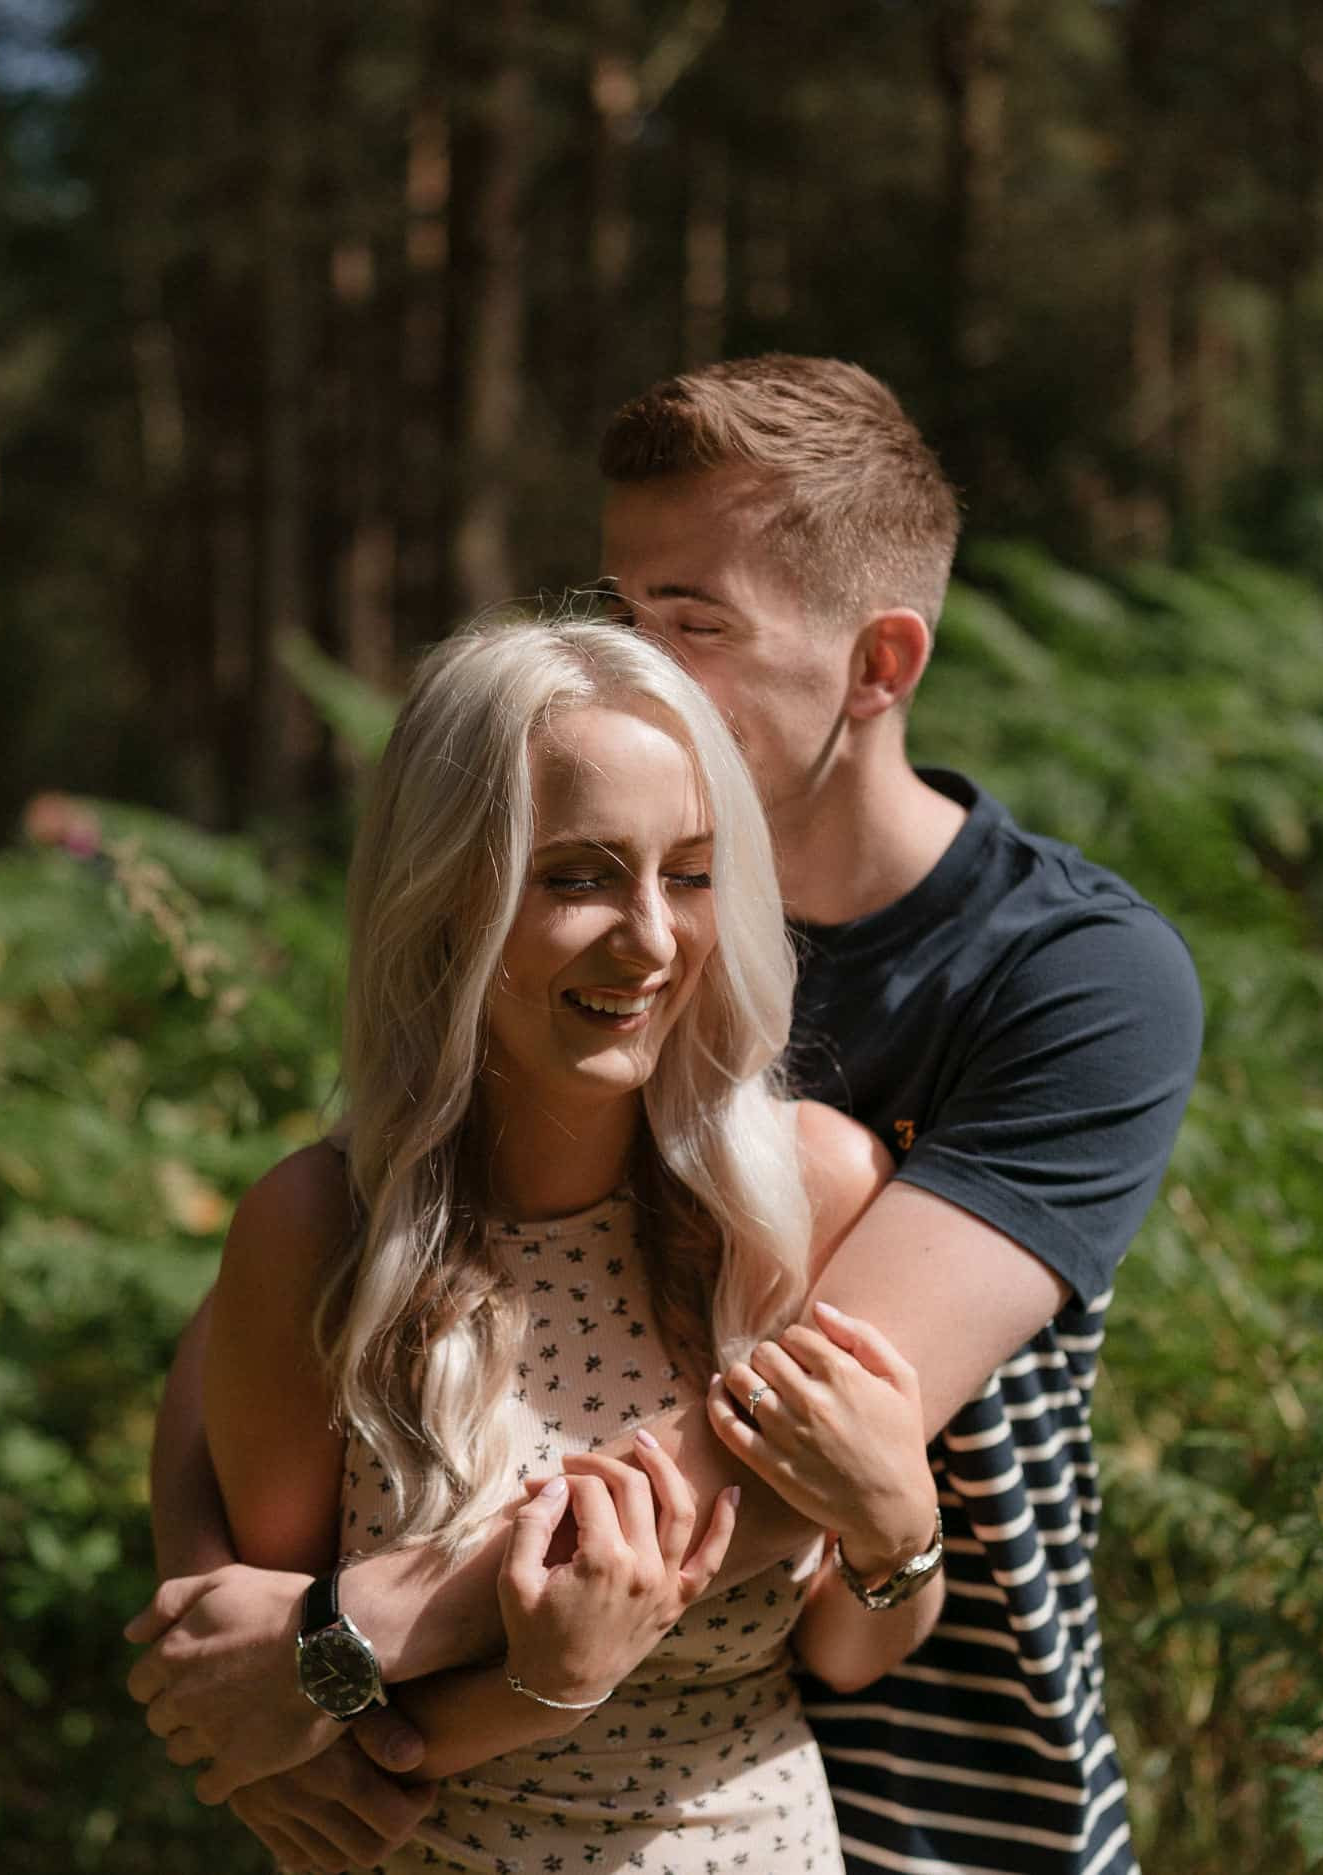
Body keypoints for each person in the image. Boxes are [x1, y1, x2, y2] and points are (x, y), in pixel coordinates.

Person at [128, 357, 1204, 1875]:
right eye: (621, 606)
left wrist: (322, 1650)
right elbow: (275, 1293)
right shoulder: (564, 915)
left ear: (877, 661)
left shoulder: (1069, 980)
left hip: (945, 1792)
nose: (626, 657)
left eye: (690, 621)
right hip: (492, 1787)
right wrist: (215, 1636)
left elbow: (747, 1458)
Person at [191, 615, 953, 1872]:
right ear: (446, 899)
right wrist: (550, 1686)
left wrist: (898, 1533)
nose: (652, 939)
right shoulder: (319, 1232)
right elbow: (291, 1727)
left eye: (692, 875)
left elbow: (851, 1650)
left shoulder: (807, 1191)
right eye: (581, 876)